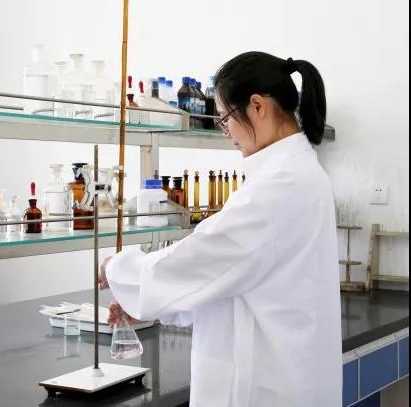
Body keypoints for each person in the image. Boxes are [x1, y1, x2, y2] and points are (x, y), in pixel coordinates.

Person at [99, 51, 342, 407]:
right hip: (290, 373)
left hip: (268, 386)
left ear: (257, 106)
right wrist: (153, 303)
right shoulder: (298, 173)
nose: (225, 132)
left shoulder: (281, 184)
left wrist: (118, 269)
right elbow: (232, 277)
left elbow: (203, 258)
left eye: (225, 119)